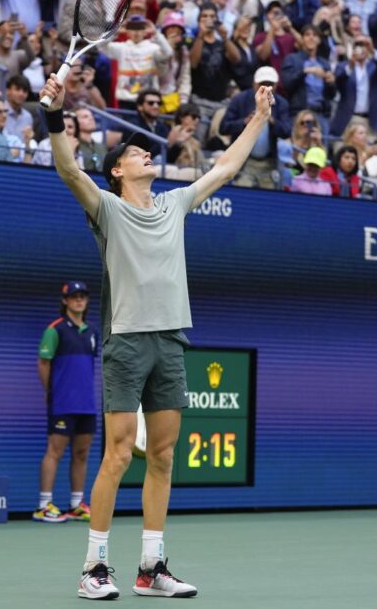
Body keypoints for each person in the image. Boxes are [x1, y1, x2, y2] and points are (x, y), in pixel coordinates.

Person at [40, 67, 274, 602]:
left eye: (149, 152)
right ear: (118, 171)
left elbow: (226, 167)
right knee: (119, 454)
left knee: (163, 455)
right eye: (137, 153)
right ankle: (94, 567)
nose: (148, 155)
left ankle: (151, 567)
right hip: (126, 342)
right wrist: (52, 115)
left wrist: (258, 117)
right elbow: (68, 170)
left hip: (171, 340)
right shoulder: (108, 208)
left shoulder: (174, 205)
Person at [33, 280, 99, 524]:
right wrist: (50, 391)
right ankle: (43, 505)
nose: (78, 300)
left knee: (81, 453)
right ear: (65, 301)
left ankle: (76, 505)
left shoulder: (93, 332)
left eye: (82, 296)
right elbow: (43, 363)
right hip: (62, 402)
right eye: (73, 296)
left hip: (87, 404)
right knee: (55, 451)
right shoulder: (55, 330)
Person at [219, 66, 291, 188]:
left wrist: (271, 119)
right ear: (254, 84)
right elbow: (224, 127)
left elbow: (286, 131)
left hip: (269, 164)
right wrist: (245, 122)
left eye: (270, 84)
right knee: (241, 195)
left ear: (276, 85)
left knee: (267, 201)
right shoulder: (240, 100)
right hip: (243, 162)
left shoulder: (281, 103)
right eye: (262, 84)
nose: (266, 88)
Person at [189, 2, 240, 119]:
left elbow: (236, 59)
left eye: (212, 16)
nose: (208, 19)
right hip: (199, 101)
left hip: (221, 101)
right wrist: (201, 35)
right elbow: (193, 63)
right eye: (204, 16)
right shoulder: (192, 41)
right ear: (198, 20)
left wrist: (225, 37)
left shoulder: (222, 43)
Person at [331, 34, 377, 135]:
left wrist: (373, 50)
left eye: (365, 44)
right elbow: (337, 82)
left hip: (370, 120)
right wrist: (350, 66)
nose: (361, 48)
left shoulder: (374, 65)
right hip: (348, 119)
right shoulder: (343, 66)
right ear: (353, 47)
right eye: (358, 44)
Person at [280, 23, 335, 130]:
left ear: (319, 40)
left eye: (315, 35)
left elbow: (331, 94)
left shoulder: (324, 63)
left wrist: (331, 82)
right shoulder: (292, 59)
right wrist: (306, 71)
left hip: (321, 114)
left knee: (321, 146)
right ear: (302, 39)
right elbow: (287, 85)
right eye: (307, 35)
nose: (311, 38)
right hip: (299, 114)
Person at [0, 19, 35, 86]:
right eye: (5, 33)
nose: (8, 36)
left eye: (11, 33)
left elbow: (31, 57)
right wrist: (1, 35)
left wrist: (24, 38)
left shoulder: (17, 55)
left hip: (13, 95)